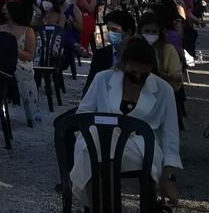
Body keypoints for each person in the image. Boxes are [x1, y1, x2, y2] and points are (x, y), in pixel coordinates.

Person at [72, 37, 182, 208]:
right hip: (100, 140)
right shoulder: (103, 79)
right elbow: (84, 114)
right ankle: (104, 206)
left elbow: (170, 135)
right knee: (94, 145)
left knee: (92, 153)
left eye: (143, 74)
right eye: (133, 74)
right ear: (123, 64)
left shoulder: (163, 90)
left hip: (140, 148)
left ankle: (99, 207)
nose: (138, 77)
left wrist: (168, 176)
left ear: (151, 68)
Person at [2, 0, 41, 124]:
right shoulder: (1, 28)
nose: (4, 11)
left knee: (15, 68)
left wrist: (13, 50)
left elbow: (29, 56)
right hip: (4, 62)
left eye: (6, 9)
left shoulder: (28, 31)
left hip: (21, 63)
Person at [83, 10, 136, 96]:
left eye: (115, 30)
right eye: (109, 29)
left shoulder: (139, 53)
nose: (110, 33)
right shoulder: (101, 54)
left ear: (128, 32)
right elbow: (90, 86)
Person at [138, 13, 183, 95]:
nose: (150, 34)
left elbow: (176, 81)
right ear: (140, 31)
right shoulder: (133, 47)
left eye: (154, 32)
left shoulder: (168, 50)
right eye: (147, 31)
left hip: (162, 95)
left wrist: (156, 74)